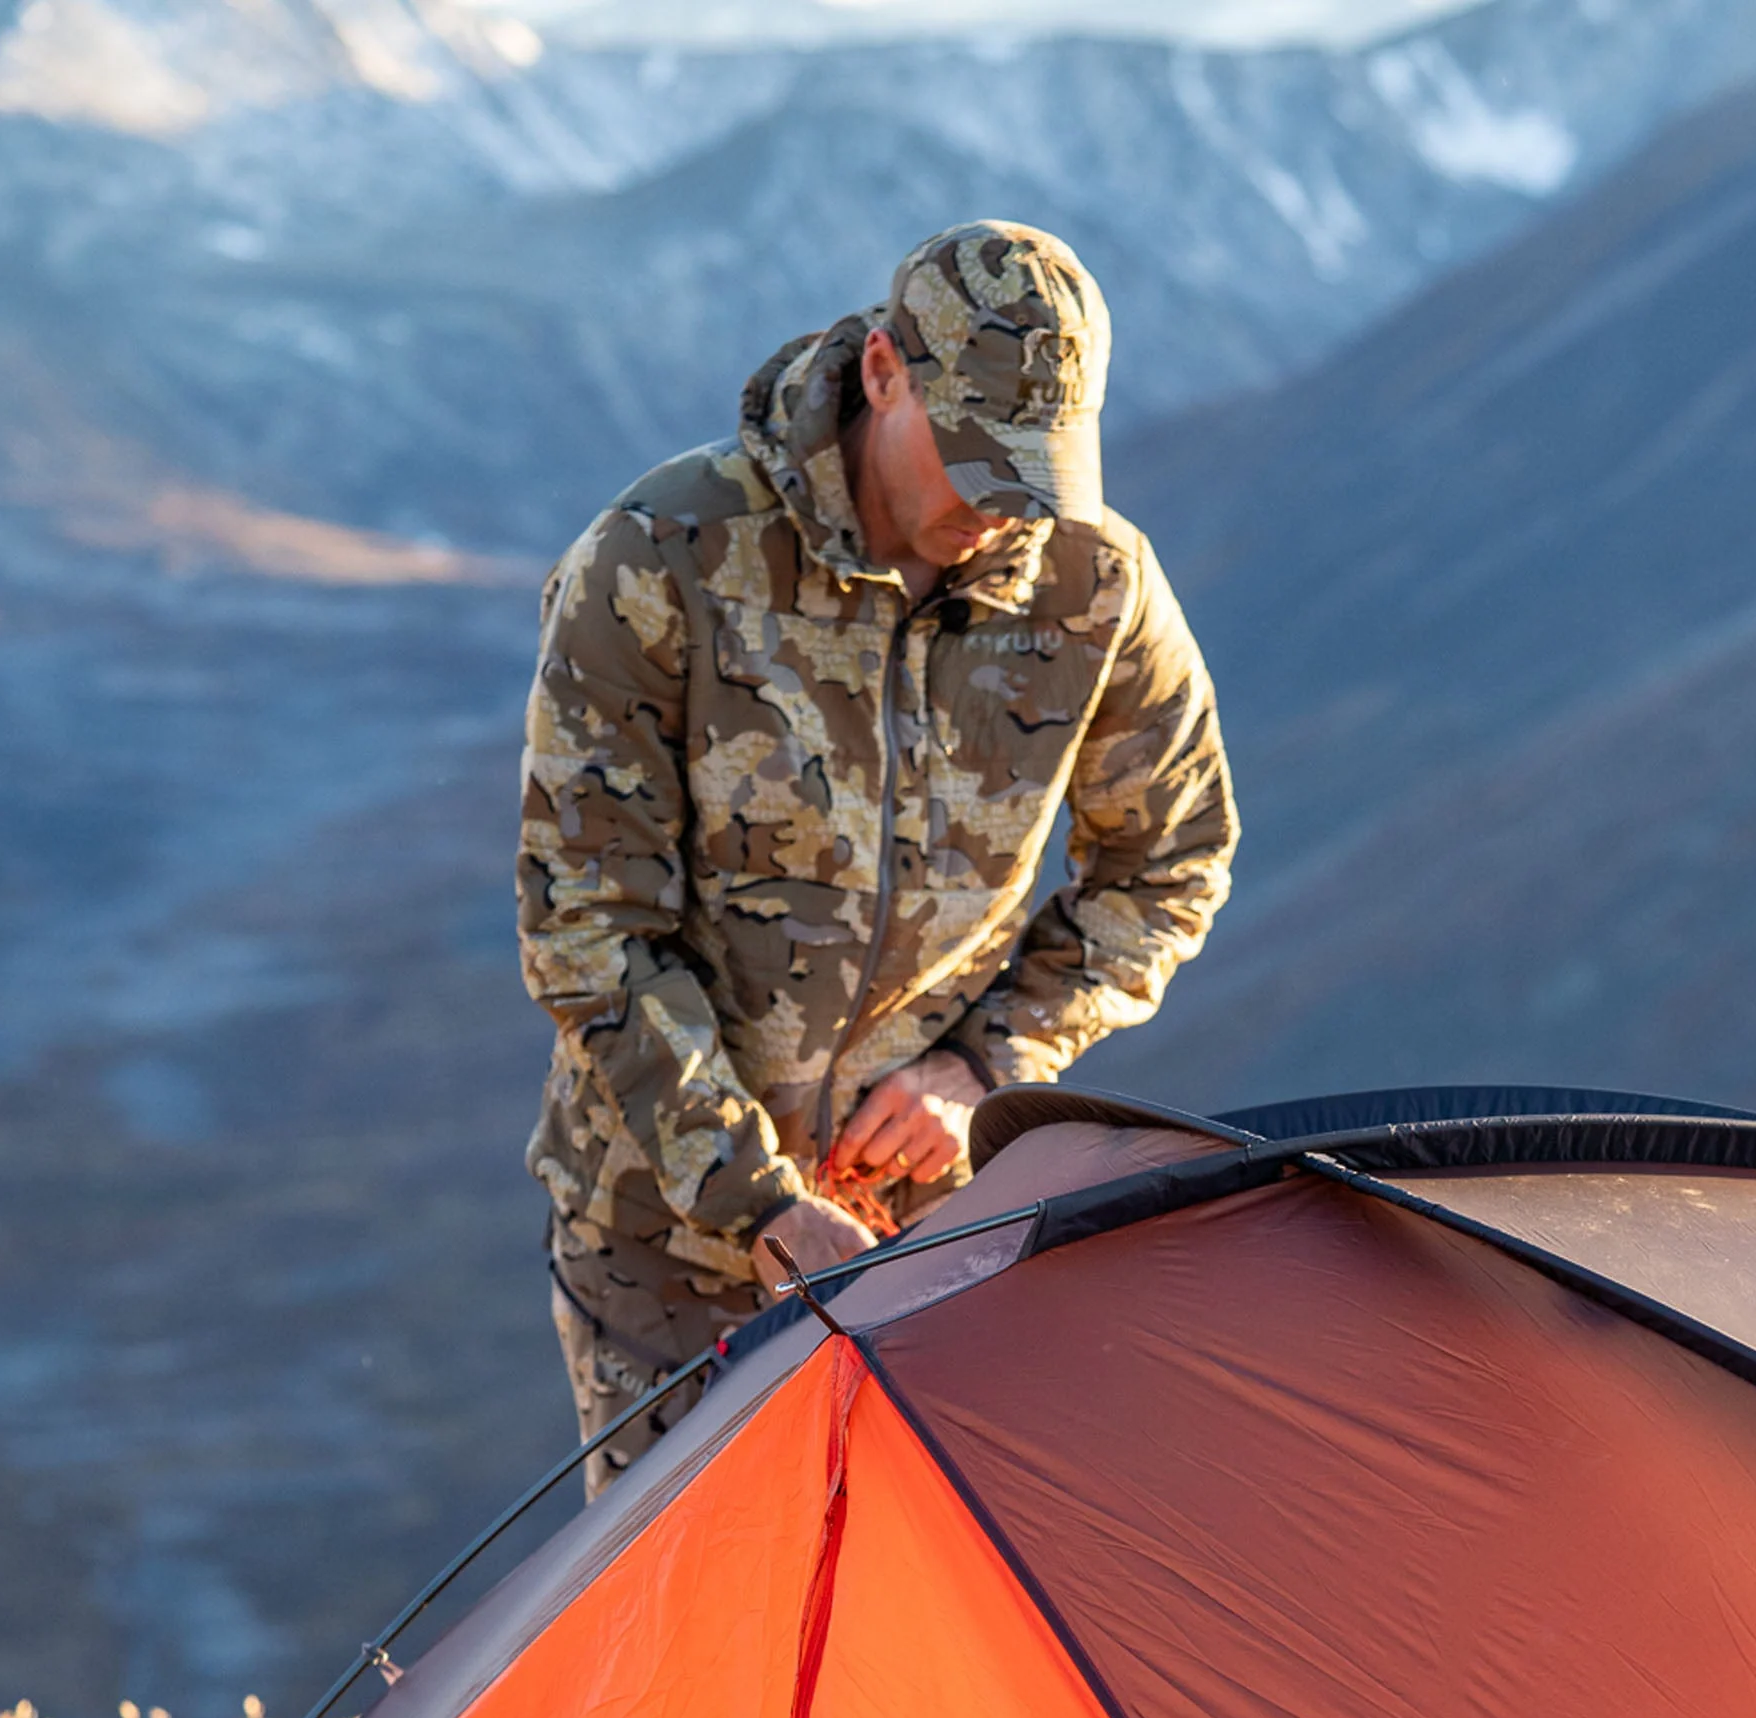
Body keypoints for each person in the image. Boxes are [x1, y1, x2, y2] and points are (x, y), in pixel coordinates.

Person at [519, 218, 1239, 1492]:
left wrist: (989, 1064)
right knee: (700, 1599)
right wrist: (752, 1204)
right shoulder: (661, 559)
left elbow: (1170, 863)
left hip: (939, 1237)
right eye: (973, 458)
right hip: (668, 1246)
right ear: (881, 372)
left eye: (1034, 471)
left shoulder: (1094, 588)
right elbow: (589, 929)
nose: (996, 509)